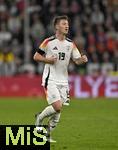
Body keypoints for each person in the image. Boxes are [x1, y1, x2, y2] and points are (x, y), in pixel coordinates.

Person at [33, 15, 88, 142]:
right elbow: (36, 56)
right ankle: (39, 118)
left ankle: (47, 135)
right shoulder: (48, 42)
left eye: (67, 24)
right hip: (50, 78)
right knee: (57, 107)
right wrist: (48, 60)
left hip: (64, 81)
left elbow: (76, 60)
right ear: (56, 26)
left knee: (58, 112)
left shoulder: (70, 44)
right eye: (63, 24)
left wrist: (82, 60)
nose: (67, 26)